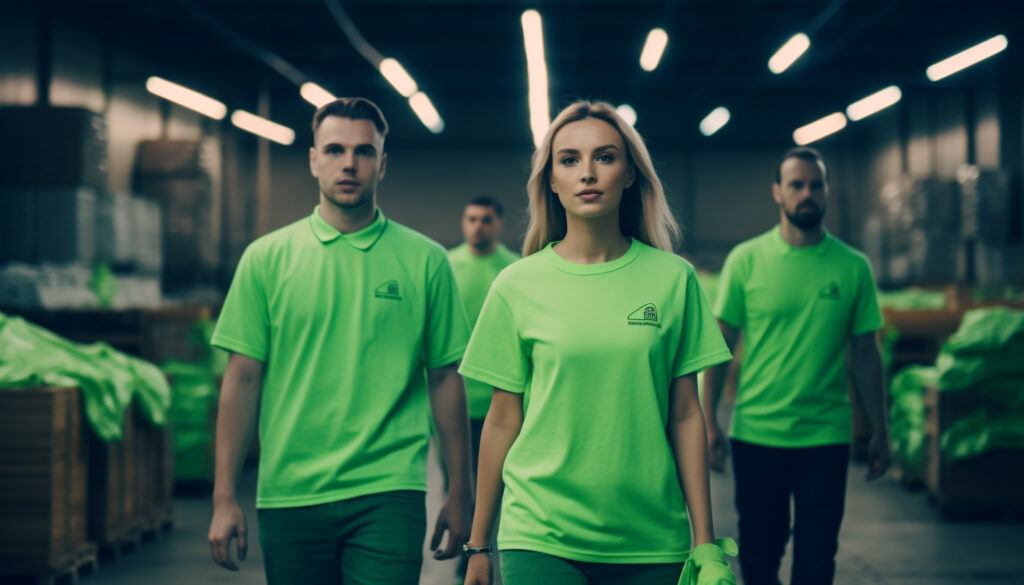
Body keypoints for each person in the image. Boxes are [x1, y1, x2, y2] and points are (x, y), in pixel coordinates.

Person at [459, 100, 737, 585]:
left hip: (652, 538)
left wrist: (704, 541)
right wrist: (479, 544)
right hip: (540, 534)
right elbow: (503, 419)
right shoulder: (516, 284)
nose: (587, 172)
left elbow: (686, 413)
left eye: (605, 157)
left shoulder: (674, 280)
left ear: (630, 174)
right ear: (551, 180)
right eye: (569, 160)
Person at [207, 97, 473, 584]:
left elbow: (444, 378)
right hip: (290, 493)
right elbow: (242, 379)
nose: (349, 163)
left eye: (364, 152)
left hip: (389, 490)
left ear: (382, 163)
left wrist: (461, 493)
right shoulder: (266, 259)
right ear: (313, 160)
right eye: (334, 150)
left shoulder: (427, 261)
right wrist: (225, 498)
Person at [702, 146, 890, 585]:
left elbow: (866, 354)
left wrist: (881, 428)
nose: (807, 193)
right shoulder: (746, 260)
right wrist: (709, 420)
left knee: (817, 561)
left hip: (825, 437)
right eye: (797, 185)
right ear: (777, 193)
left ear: (826, 190)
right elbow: (720, 343)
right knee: (760, 559)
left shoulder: (853, 267)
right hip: (757, 434)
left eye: (816, 184)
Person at [448, 195, 519, 579]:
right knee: (460, 483)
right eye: (472, 218)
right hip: (455, 404)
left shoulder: (514, 270)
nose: (478, 226)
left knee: (501, 484)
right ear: (463, 222)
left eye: (486, 219)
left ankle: (492, 550)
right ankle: (470, 553)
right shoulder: (447, 266)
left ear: (498, 224)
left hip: (503, 403)